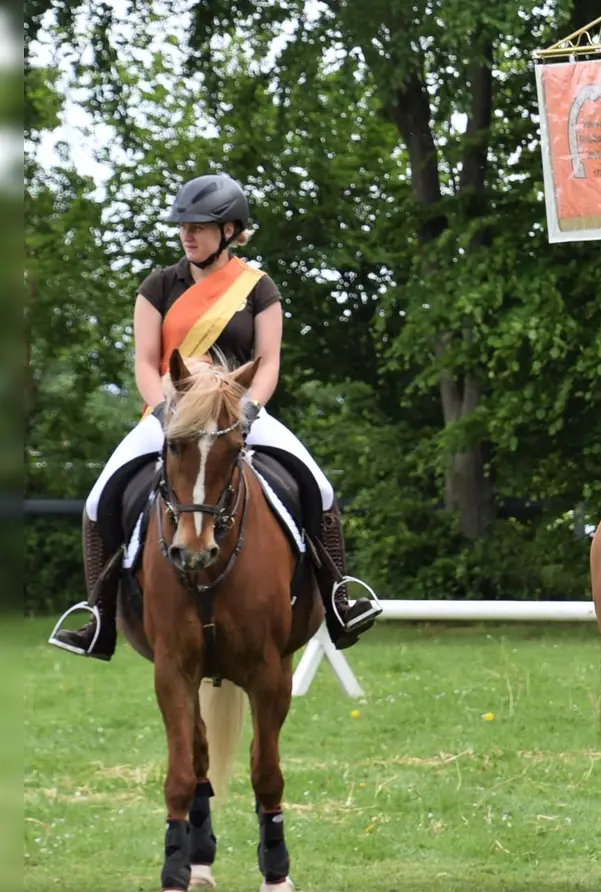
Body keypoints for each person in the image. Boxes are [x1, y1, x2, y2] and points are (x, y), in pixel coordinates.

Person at [48, 173, 380, 659]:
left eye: (200, 225)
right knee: (99, 500)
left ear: (229, 231)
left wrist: (248, 410)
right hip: (172, 413)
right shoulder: (158, 285)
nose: (187, 234)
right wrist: (164, 410)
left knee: (320, 488)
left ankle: (338, 600)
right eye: (183, 225)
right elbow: (145, 360)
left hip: (239, 411)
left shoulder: (258, 288)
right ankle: (98, 617)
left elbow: (268, 362)